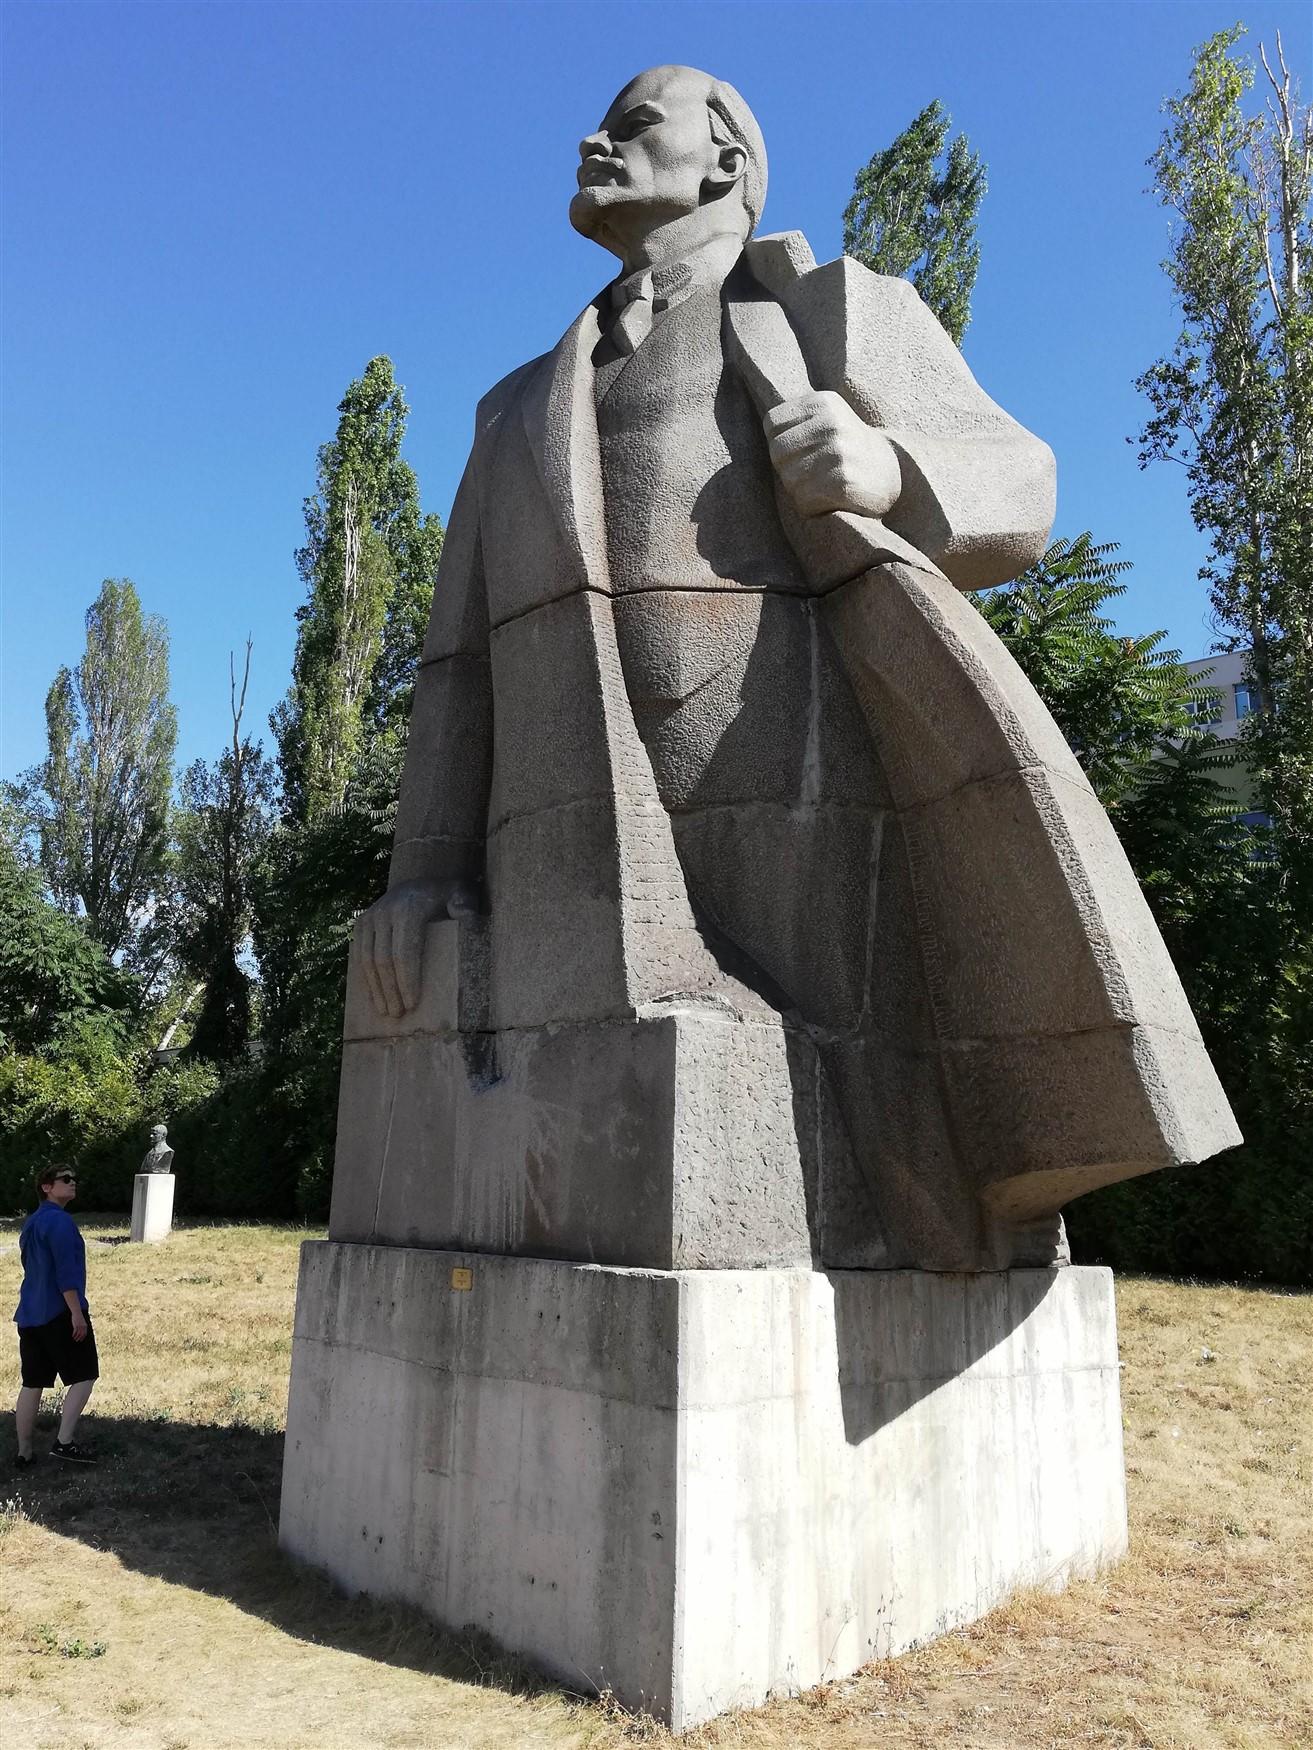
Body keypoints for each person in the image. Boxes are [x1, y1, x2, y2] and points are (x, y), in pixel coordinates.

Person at [13, 1165, 99, 1466]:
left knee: (32, 1382)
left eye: (75, 1179)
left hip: (29, 1315)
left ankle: (23, 1452)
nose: (72, 1183)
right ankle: (64, 1442)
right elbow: (66, 1273)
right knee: (85, 1374)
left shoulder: (32, 1223)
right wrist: (77, 1314)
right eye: (65, 1179)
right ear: (47, 1187)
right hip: (59, 1312)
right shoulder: (60, 1223)